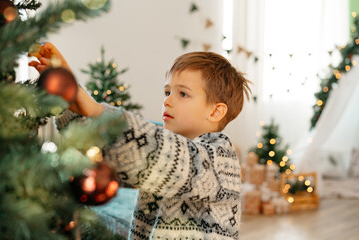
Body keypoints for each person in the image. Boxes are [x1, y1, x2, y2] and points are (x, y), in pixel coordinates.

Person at [29, 42, 251, 240]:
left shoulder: (220, 157)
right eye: (167, 92)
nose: (167, 101)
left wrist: (97, 110)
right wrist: (67, 92)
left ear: (216, 112)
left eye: (182, 94)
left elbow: (171, 157)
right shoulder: (163, 141)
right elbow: (106, 142)